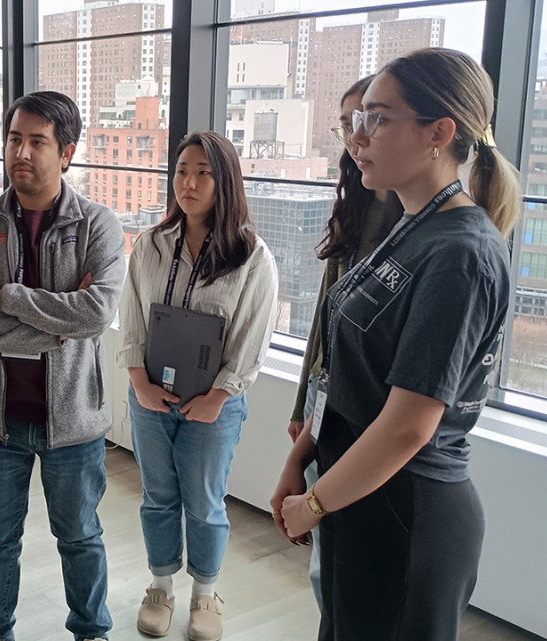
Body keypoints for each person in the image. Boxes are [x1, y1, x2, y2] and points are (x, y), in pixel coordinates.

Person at [272, 48, 519, 641]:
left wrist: (316, 503)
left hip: (407, 513)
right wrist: (299, 457)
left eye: (378, 118)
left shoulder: (461, 253)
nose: (358, 136)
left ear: (439, 132)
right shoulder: (412, 225)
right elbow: (348, 375)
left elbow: (410, 424)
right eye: (357, 120)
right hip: (358, 499)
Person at [0, 91, 124, 641]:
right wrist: (58, 322)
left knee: (80, 537)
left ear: (66, 152)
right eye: (14, 139)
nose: (21, 152)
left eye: (37, 142)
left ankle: (91, 632)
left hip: (72, 420)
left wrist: (5, 296)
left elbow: (95, 314)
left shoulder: (98, 226)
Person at [119, 131, 277, 641]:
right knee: (157, 496)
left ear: (224, 181)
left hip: (214, 404)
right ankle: (161, 586)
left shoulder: (252, 257)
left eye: (202, 173)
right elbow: (132, 318)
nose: (188, 183)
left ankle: (205, 594)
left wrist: (221, 395)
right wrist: (138, 382)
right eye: (182, 170)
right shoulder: (151, 244)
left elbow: (254, 335)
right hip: (149, 396)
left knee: (205, 501)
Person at [285, 74, 404, 610]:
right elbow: (325, 319)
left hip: (374, 409)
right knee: (328, 570)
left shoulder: (423, 229)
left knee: (356, 569)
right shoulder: (355, 202)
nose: (356, 139)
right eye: (347, 125)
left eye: (370, 120)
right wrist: (304, 407)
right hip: (328, 396)